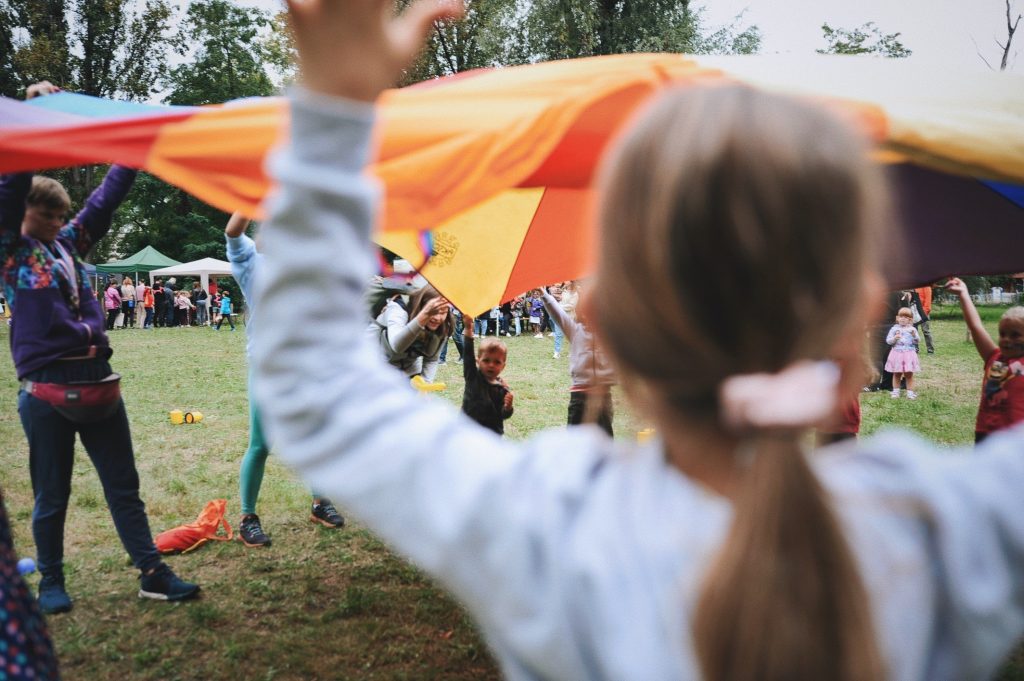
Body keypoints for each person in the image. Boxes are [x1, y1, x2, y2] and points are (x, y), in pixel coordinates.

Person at [251, 3, 1024, 679]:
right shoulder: (950, 532)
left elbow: (317, 385)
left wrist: (336, 114)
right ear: (860, 312)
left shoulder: (551, 527)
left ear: (608, 318)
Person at [0, 81, 199, 614]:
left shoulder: (71, 246)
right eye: (51, 217)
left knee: (124, 489)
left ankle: (153, 572)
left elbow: (108, 197)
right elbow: (10, 183)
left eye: (65, 218)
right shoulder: (13, 254)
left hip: (100, 387)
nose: (62, 226)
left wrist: (131, 142)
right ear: (25, 215)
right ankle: (51, 582)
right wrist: (29, 115)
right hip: (46, 395)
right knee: (51, 497)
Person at [224, 213, 345, 548]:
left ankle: (320, 502)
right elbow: (233, 231)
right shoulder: (252, 266)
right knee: (262, 444)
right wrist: (251, 195)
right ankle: (248, 517)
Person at [946, 277, 1024, 444]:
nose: (1006, 340)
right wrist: (963, 294)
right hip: (985, 435)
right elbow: (976, 326)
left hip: (1016, 441)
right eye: (1003, 334)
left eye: (1015, 335)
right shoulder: (994, 358)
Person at [541, 285, 616, 436]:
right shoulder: (575, 331)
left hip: (602, 396)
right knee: (575, 441)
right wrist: (545, 295)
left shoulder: (609, 336)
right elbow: (558, 315)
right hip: (579, 397)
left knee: (605, 439)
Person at [371, 284, 451, 382]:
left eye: (443, 312)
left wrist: (425, 386)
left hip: (408, 369)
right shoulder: (398, 310)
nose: (438, 318)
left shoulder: (443, 326)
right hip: (374, 364)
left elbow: (432, 359)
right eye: (433, 311)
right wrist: (423, 317)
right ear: (422, 306)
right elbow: (397, 346)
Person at [460, 315, 513, 435]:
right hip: (467, 433)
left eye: (497, 362)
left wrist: (508, 407)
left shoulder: (502, 389)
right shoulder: (472, 377)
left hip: (491, 437)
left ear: (503, 366)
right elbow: (468, 354)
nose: (491, 365)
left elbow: (503, 414)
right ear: (478, 361)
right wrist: (468, 329)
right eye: (486, 360)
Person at [885, 307, 921, 399]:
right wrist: (894, 338)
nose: (903, 319)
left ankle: (910, 393)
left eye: (906, 317)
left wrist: (914, 336)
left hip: (909, 354)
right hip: (897, 353)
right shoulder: (894, 329)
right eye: (901, 316)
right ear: (897, 318)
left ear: (910, 320)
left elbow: (917, 341)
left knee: (909, 374)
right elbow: (888, 341)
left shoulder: (912, 329)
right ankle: (896, 392)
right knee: (897, 373)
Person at [913, 285, 935, 353]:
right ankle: (915, 349)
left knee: (926, 331)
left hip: (924, 312)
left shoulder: (926, 286)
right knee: (913, 330)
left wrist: (924, 312)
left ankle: (930, 350)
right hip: (914, 311)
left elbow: (928, 300)